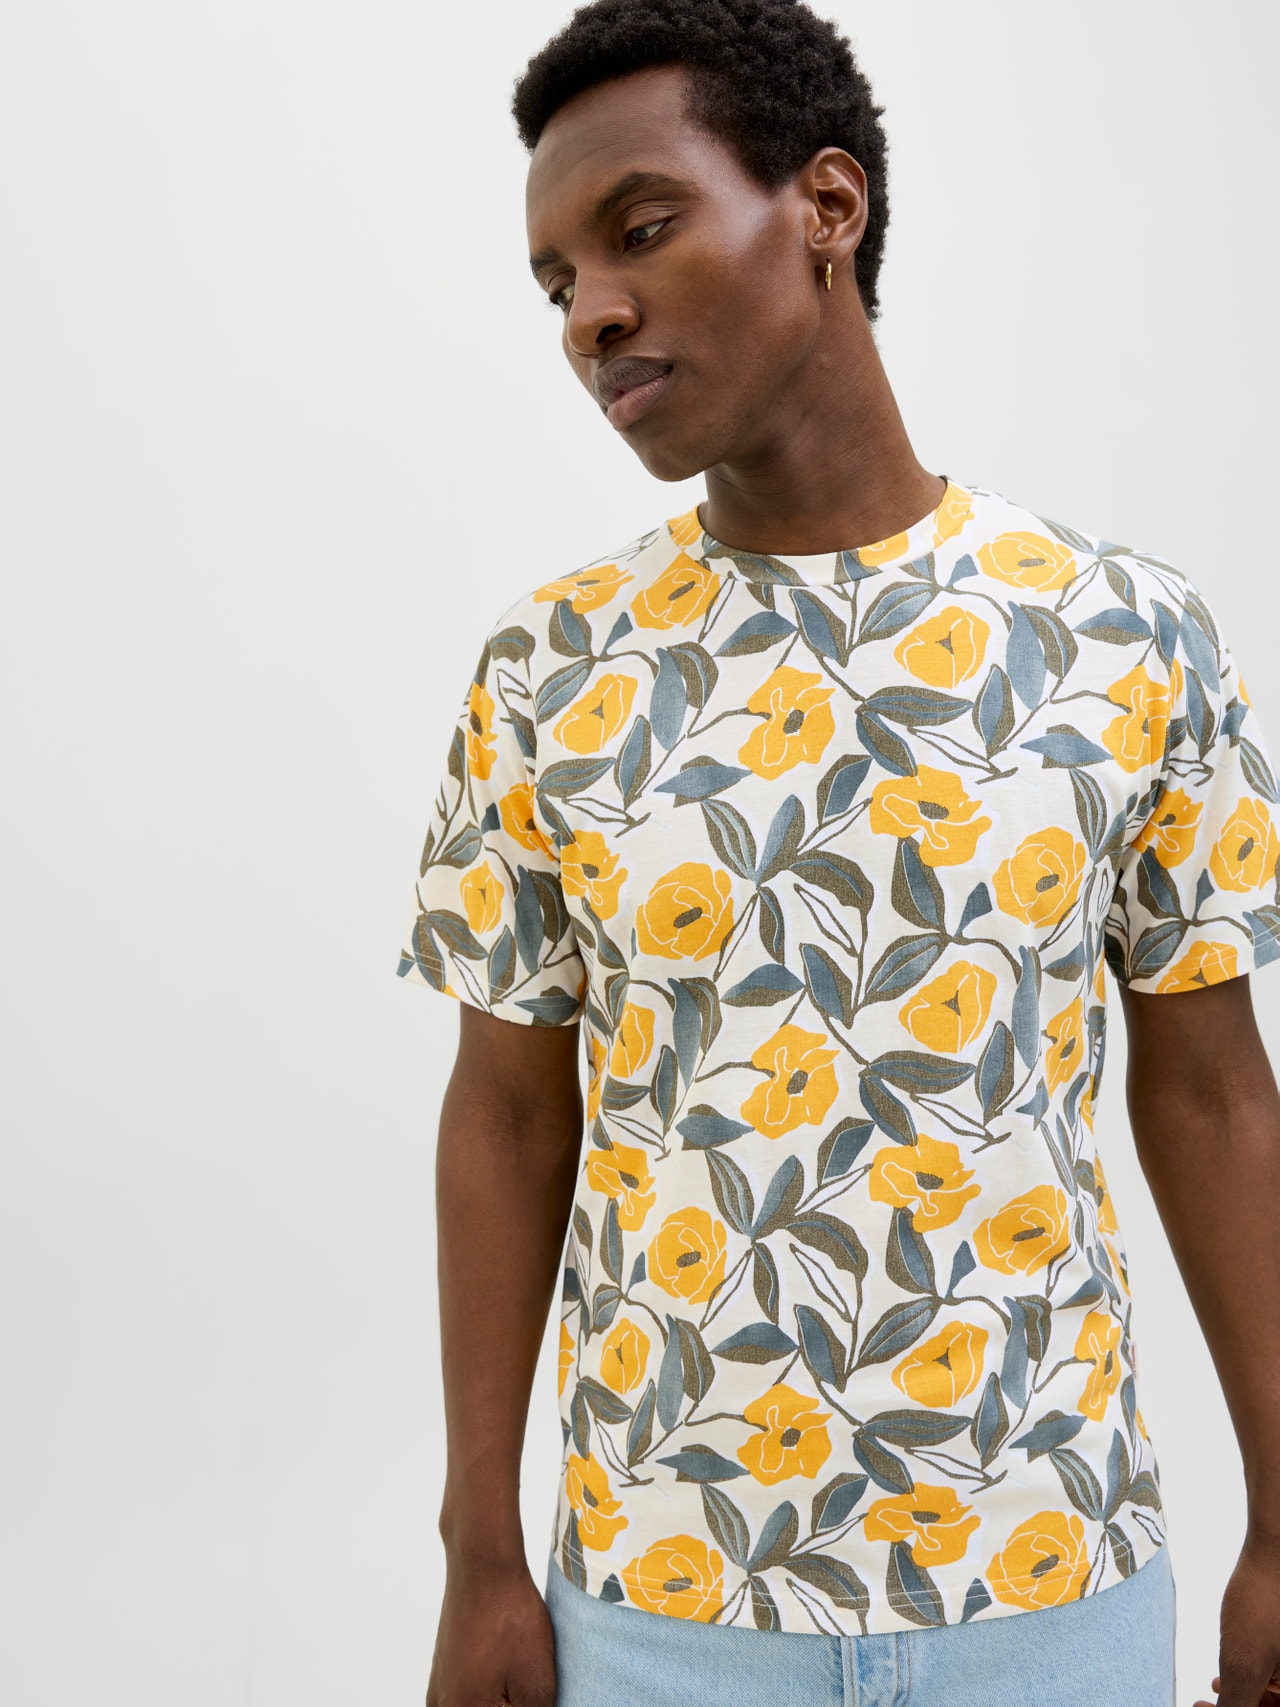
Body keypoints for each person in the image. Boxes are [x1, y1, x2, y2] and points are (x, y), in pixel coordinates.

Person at [399, 3, 1280, 1703]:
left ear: (826, 206)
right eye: (557, 280)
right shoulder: (552, 671)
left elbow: (1214, 1097)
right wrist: (481, 1555)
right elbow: (504, 1116)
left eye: (640, 228)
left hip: (1054, 1586)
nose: (590, 314)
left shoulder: (1121, 634)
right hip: (661, 1610)